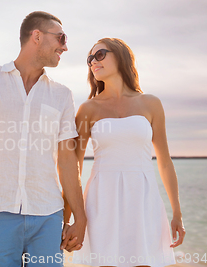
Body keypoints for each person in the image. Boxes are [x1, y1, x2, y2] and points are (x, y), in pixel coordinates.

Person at [0, 11, 87, 266]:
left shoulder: (62, 95)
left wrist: (79, 218)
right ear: (36, 36)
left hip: (49, 217)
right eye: (61, 38)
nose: (65, 46)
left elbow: (68, 162)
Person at [73, 38, 185, 267]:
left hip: (143, 198)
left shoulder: (150, 103)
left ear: (121, 57)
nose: (93, 61)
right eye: (90, 58)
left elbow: (164, 161)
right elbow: (74, 166)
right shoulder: (87, 109)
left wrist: (177, 213)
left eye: (100, 54)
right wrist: (71, 217)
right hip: (101, 199)